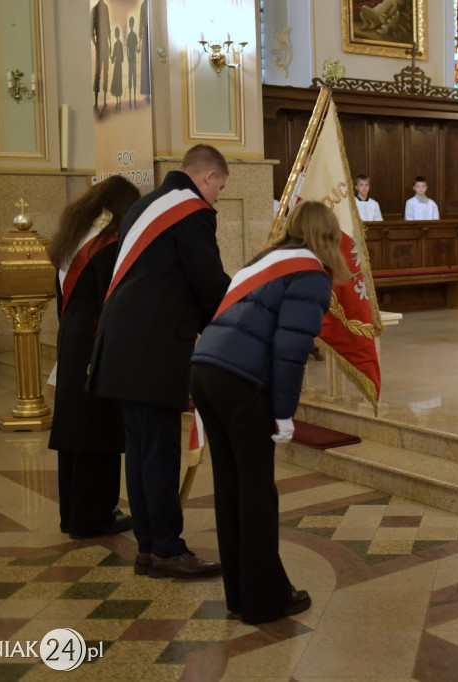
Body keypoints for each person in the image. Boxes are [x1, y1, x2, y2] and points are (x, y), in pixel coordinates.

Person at [190, 201, 349, 624]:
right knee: (257, 490)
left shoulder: (263, 261)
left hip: (205, 372)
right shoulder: (310, 274)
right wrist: (283, 413)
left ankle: (241, 594)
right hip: (240, 382)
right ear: (328, 238)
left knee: (231, 486)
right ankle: (265, 602)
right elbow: (290, 349)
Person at [88, 144, 231, 579]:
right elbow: (209, 284)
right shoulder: (191, 211)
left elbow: (165, 280)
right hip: (153, 352)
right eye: (220, 188)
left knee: (141, 452)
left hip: (120, 346)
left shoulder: (144, 206)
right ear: (207, 177)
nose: (217, 198)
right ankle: (168, 548)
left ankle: (149, 547)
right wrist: (241, 316)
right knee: (161, 453)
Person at [47, 176, 140, 540]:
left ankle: (71, 514)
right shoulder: (107, 246)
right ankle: (95, 517)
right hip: (94, 340)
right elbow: (114, 303)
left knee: (74, 426)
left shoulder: (73, 239)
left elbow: (64, 299)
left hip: (72, 337)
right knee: (98, 427)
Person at [91, 0, 110, 110]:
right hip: (101, 44)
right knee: (99, 73)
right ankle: (97, 102)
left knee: (103, 72)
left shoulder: (103, 9)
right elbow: (92, 33)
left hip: (103, 44)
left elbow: (108, 28)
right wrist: (97, 45)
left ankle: (102, 102)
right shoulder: (95, 10)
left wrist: (97, 44)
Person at [110, 26, 124, 112]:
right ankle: (117, 102)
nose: (117, 35)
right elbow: (112, 60)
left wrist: (117, 58)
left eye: (117, 33)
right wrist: (111, 56)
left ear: (118, 34)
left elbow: (122, 58)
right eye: (116, 33)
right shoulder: (115, 45)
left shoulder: (120, 44)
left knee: (119, 82)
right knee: (116, 82)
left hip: (119, 66)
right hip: (116, 65)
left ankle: (119, 102)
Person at [126, 17, 139, 108]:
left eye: (132, 23)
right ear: (130, 24)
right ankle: (131, 97)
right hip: (131, 59)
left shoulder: (134, 35)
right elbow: (127, 49)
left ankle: (133, 97)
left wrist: (138, 50)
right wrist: (127, 58)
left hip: (133, 59)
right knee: (130, 78)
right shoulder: (130, 36)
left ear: (133, 24)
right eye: (130, 23)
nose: (131, 24)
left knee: (133, 78)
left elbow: (136, 49)